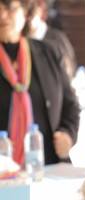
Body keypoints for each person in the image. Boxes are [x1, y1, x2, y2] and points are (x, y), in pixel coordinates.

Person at [0, 0, 79, 165]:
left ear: (25, 12)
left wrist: (68, 134)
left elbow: (70, 105)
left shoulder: (49, 52)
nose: (2, 15)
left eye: (9, 7)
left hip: (48, 166)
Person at [29, 0, 76, 79]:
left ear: (41, 12)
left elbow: (68, 72)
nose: (27, 17)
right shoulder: (20, 41)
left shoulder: (57, 40)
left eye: (31, 13)